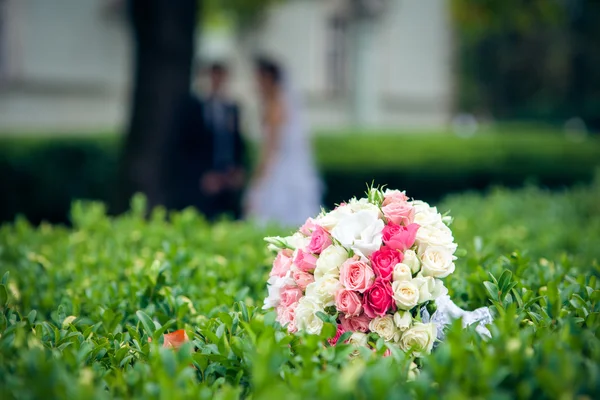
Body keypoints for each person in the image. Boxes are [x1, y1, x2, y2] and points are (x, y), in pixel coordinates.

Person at [244, 57, 322, 226]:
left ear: (268, 79)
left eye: (258, 79)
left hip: (279, 171)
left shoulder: (274, 106)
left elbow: (270, 148)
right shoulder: (281, 103)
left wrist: (257, 179)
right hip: (290, 168)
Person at [166, 62, 246, 220]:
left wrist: (236, 169)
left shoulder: (232, 108)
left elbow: (236, 144)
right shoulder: (192, 108)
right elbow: (184, 147)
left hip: (227, 182)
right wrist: (203, 175)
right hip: (201, 183)